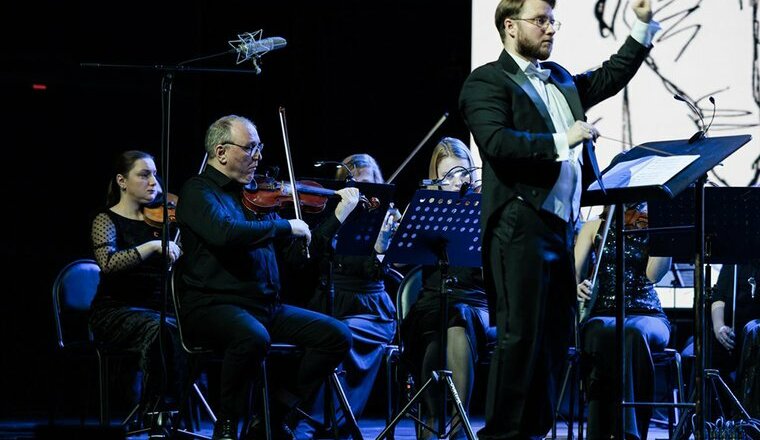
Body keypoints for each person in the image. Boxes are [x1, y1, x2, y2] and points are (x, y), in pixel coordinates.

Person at [458, 0, 660, 437]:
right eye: (540, 21)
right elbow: (496, 142)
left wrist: (642, 26)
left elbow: (609, 76)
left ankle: (535, 430)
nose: (550, 29)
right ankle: (503, 435)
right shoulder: (487, 81)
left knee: (553, 338)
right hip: (519, 223)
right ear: (510, 26)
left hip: (559, 228)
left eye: (553, 21)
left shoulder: (560, 78)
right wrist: (561, 138)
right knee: (519, 337)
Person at [175, 114, 354, 440]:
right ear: (221, 152)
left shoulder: (259, 197)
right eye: (250, 148)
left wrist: (335, 219)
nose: (258, 156)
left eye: (260, 148)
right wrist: (285, 226)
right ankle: (227, 425)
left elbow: (296, 259)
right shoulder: (198, 191)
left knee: (337, 335)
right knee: (253, 337)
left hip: (264, 307)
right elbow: (225, 233)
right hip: (212, 306)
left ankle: (274, 413)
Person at [293, 153, 399, 439]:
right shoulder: (329, 213)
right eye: (355, 186)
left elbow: (374, 273)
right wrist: (337, 218)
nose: (362, 194)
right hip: (327, 301)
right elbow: (306, 258)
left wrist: (382, 244)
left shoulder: (384, 218)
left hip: (371, 309)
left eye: (369, 185)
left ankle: (310, 424)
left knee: (344, 333)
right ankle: (308, 420)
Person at [400, 137, 490, 440]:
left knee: (457, 318)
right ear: (435, 178)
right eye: (447, 176)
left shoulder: (484, 206)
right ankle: (436, 422)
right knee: (437, 336)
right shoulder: (427, 206)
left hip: (475, 301)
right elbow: (400, 259)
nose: (456, 183)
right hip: (432, 302)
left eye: (462, 173)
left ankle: (453, 425)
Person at [88, 150, 186, 424]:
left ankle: (175, 411)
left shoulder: (166, 220)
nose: (154, 181)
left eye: (155, 174)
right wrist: (152, 246)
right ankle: (157, 412)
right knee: (161, 331)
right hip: (116, 312)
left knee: (192, 327)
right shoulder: (106, 219)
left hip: (161, 310)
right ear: (122, 181)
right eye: (144, 175)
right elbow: (108, 262)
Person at [575, 202, 672, 439]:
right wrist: (577, 286)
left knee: (633, 332)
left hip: (647, 313)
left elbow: (653, 275)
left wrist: (663, 231)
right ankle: (598, 432)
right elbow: (574, 273)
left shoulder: (652, 226)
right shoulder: (593, 227)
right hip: (603, 311)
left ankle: (630, 431)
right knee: (600, 332)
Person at [709, 260, 760, 418]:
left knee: (753, 335)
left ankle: (746, 418)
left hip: (753, 329)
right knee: (703, 349)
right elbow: (719, 296)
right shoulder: (735, 258)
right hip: (731, 328)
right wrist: (719, 326)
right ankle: (712, 421)